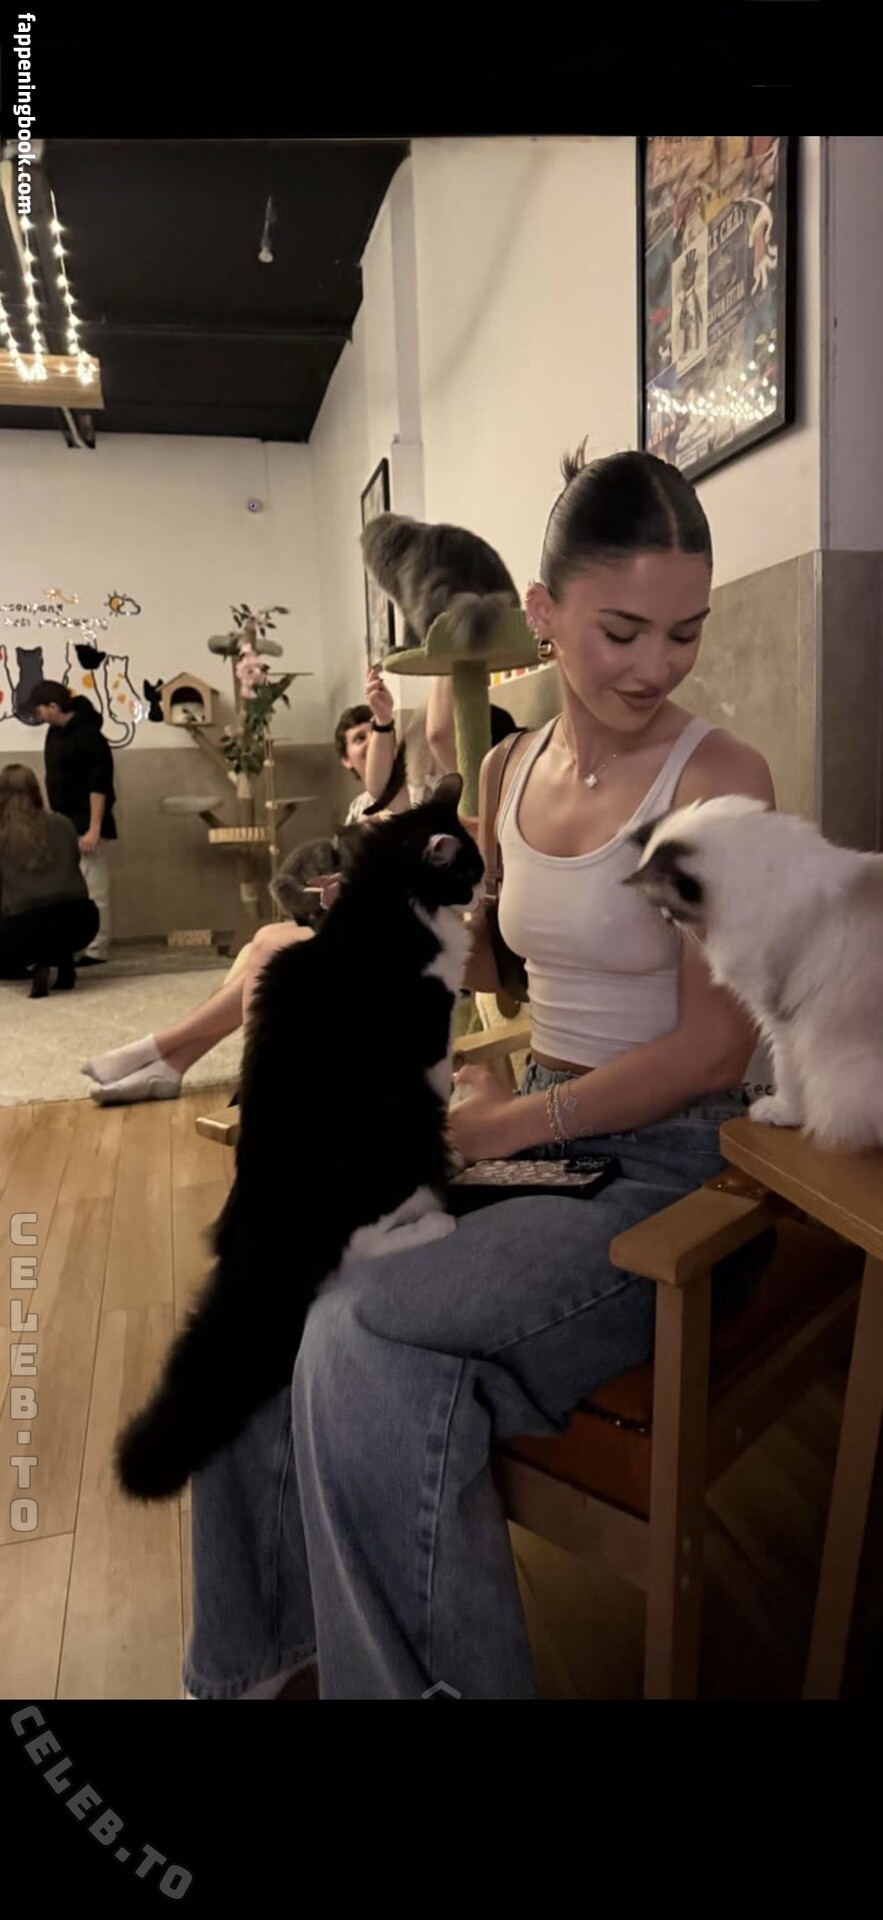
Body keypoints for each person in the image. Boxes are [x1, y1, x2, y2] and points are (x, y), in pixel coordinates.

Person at [182, 444, 776, 1701]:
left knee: (367, 1331)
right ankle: (261, 1665)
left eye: (683, 633)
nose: (656, 666)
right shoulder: (506, 771)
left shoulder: (716, 779)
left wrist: (512, 1123)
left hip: (671, 1166)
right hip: (540, 1131)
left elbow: (713, 1048)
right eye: (621, 631)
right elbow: (496, 968)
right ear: (543, 615)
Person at [21, 679, 117, 965]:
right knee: (73, 887)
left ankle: (97, 948)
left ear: (53, 706)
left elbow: (99, 785)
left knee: (94, 886)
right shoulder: (55, 733)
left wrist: (94, 828)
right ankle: (78, 944)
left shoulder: (88, 735)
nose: (38, 716)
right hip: (64, 821)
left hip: (88, 822)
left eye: (39, 710)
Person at [0, 764, 99, 998]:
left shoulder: (2, 833)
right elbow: (73, 864)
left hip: (25, 929)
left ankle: (36, 962)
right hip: (80, 920)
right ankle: (63, 960)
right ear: (36, 790)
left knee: (29, 921)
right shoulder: (62, 823)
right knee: (54, 913)